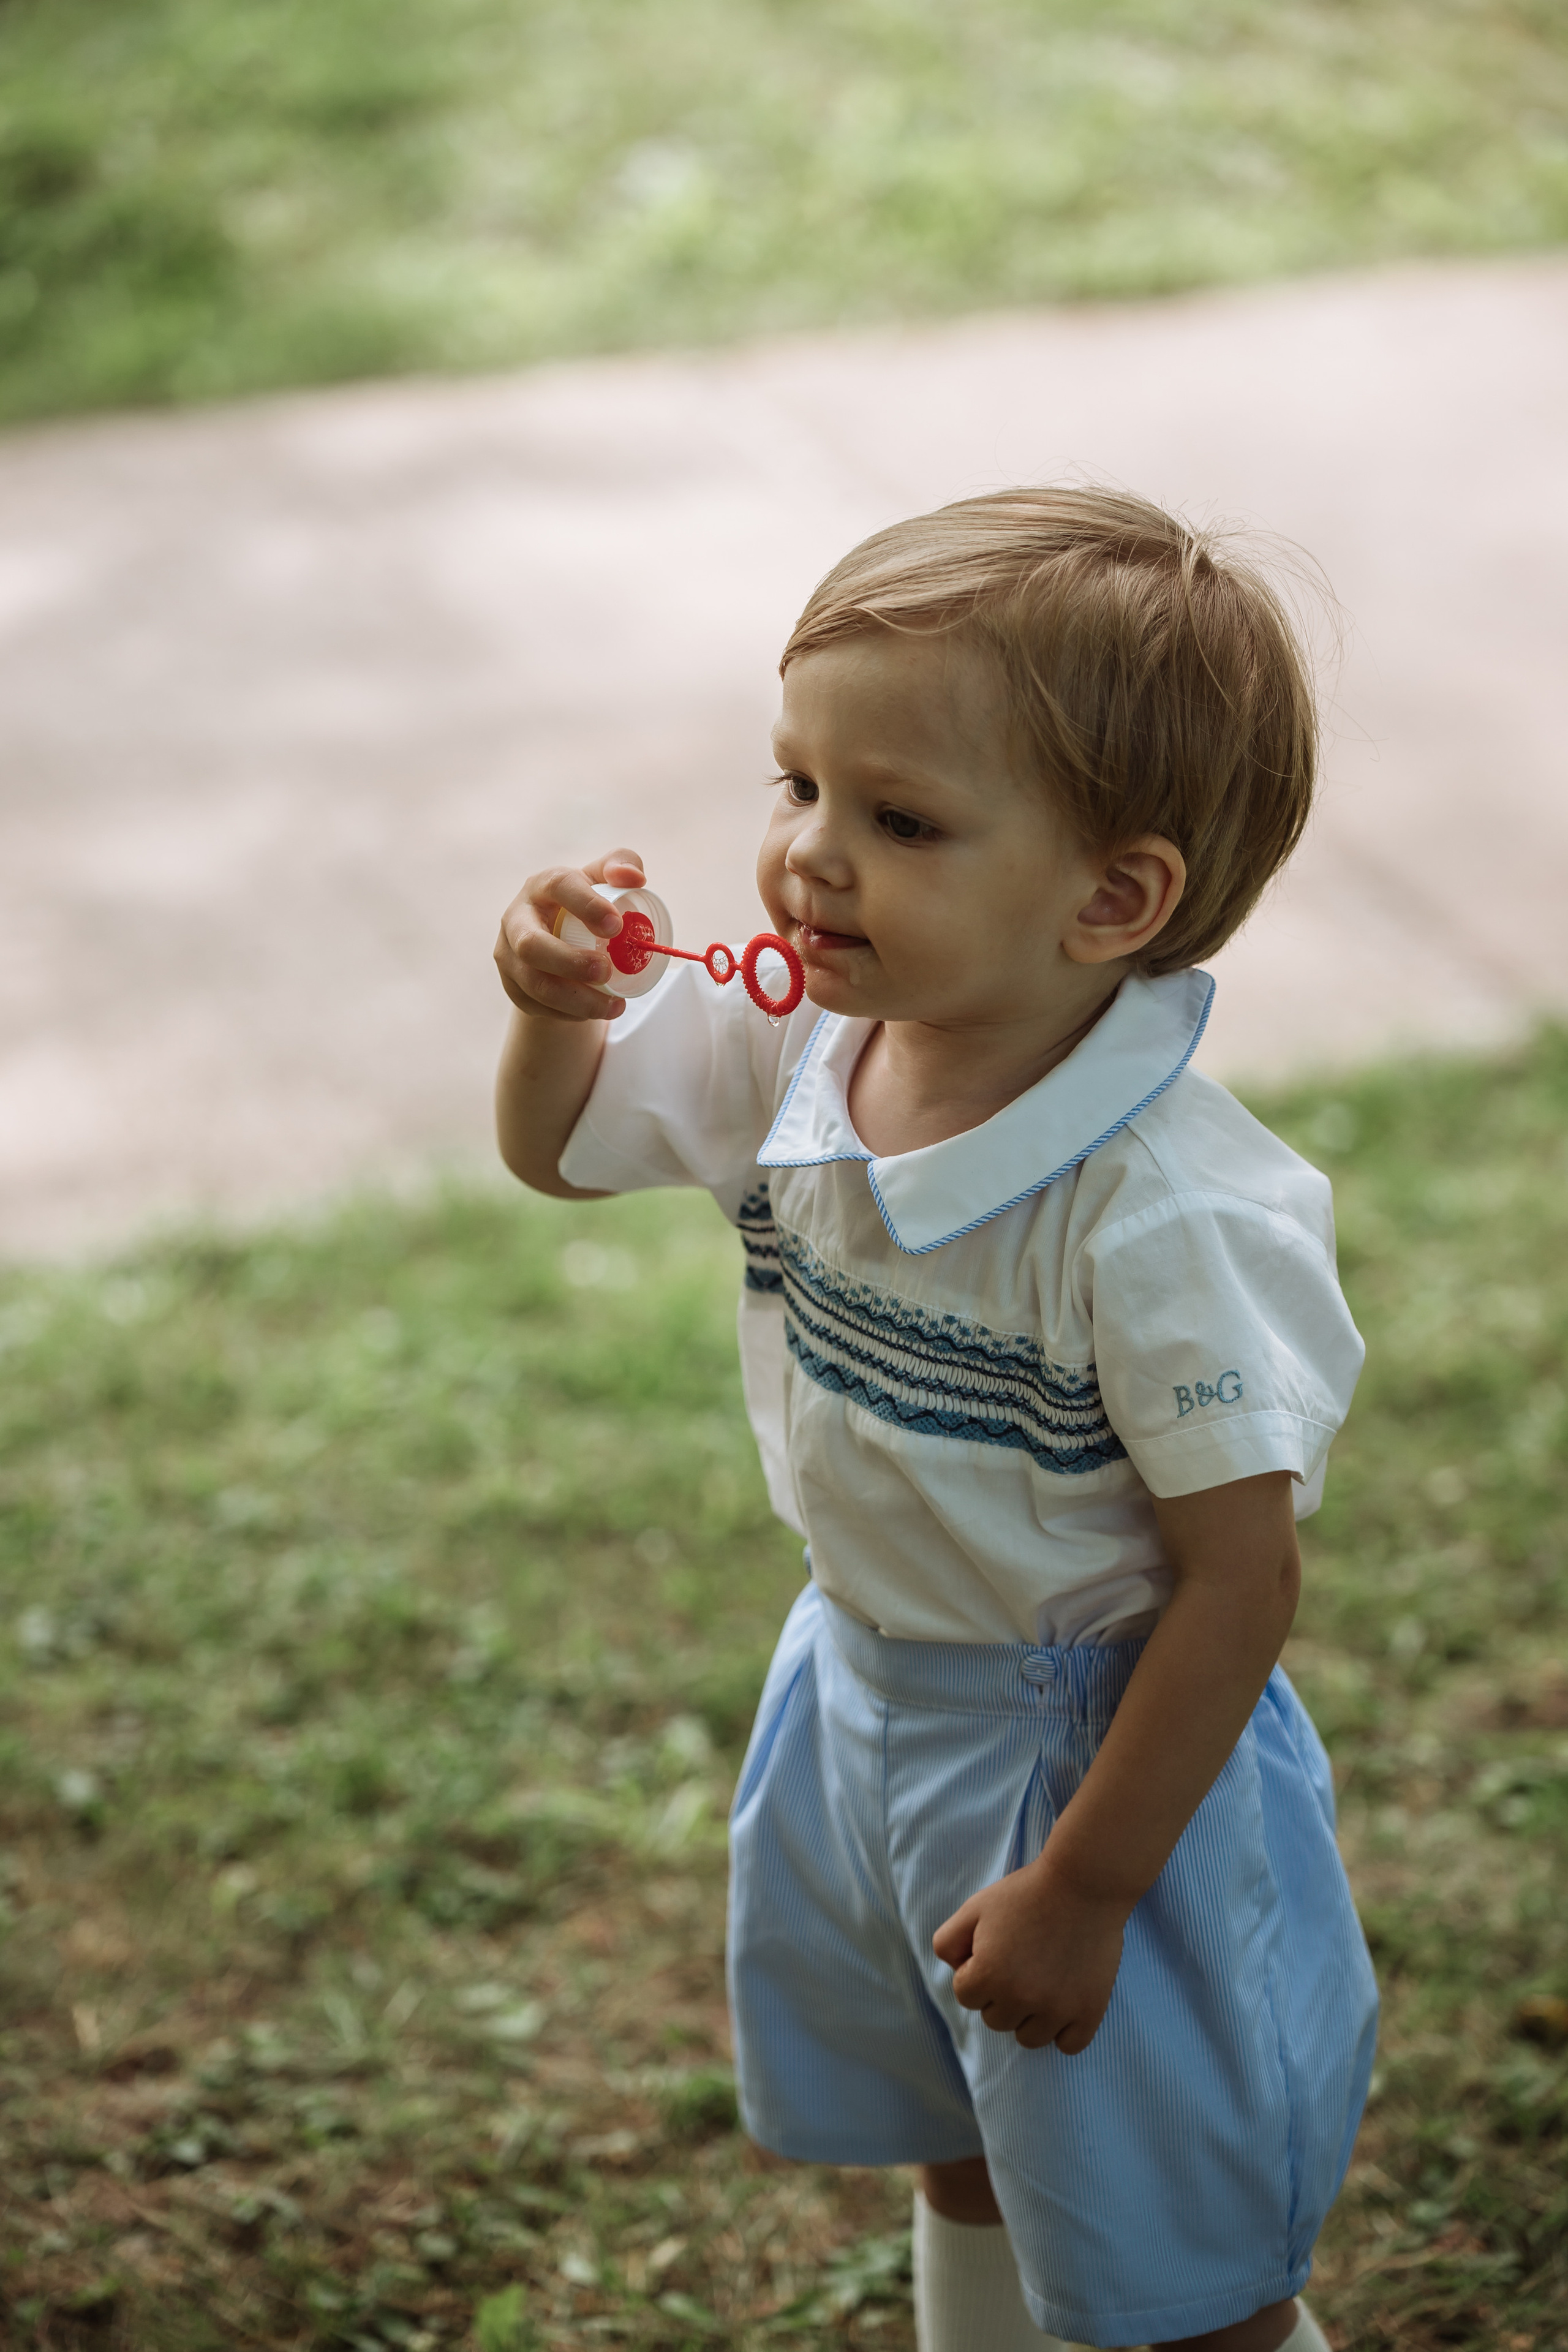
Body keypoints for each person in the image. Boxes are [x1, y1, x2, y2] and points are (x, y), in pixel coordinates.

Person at [492, 488, 1378, 2352]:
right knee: (963, 2140)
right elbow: (559, 1156)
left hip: (1081, 1756)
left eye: (897, 820)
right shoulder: (806, 1043)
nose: (808, 858)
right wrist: (550, 1012)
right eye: (795, 781)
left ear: (1111, 899)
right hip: (861, 1691)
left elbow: (1240, 1582)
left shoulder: (1164, 1217)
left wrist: (1088, 1883)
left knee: (1176, 2259)